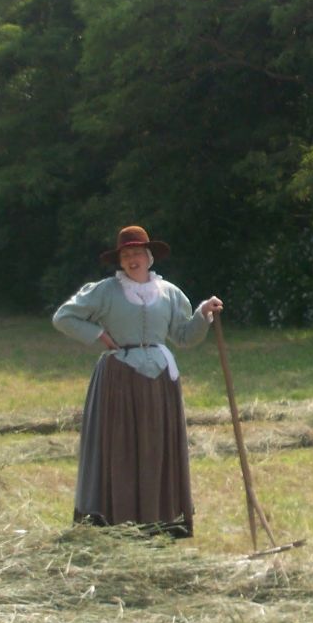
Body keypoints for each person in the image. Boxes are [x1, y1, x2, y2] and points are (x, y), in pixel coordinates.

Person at [53, 226, 223, 536]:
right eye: (126, 255)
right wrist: (99, 335)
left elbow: (183, 337)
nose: (132, 259)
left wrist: (202, 314)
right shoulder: (104, 291)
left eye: (137, 254)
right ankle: (118, 520)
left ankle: (160, 519)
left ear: (149, 257)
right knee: (121, 446)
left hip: (160, 381)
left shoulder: (169, 293)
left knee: (157, 446)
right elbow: (63, 317)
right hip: (120, 378)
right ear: (120, 260)